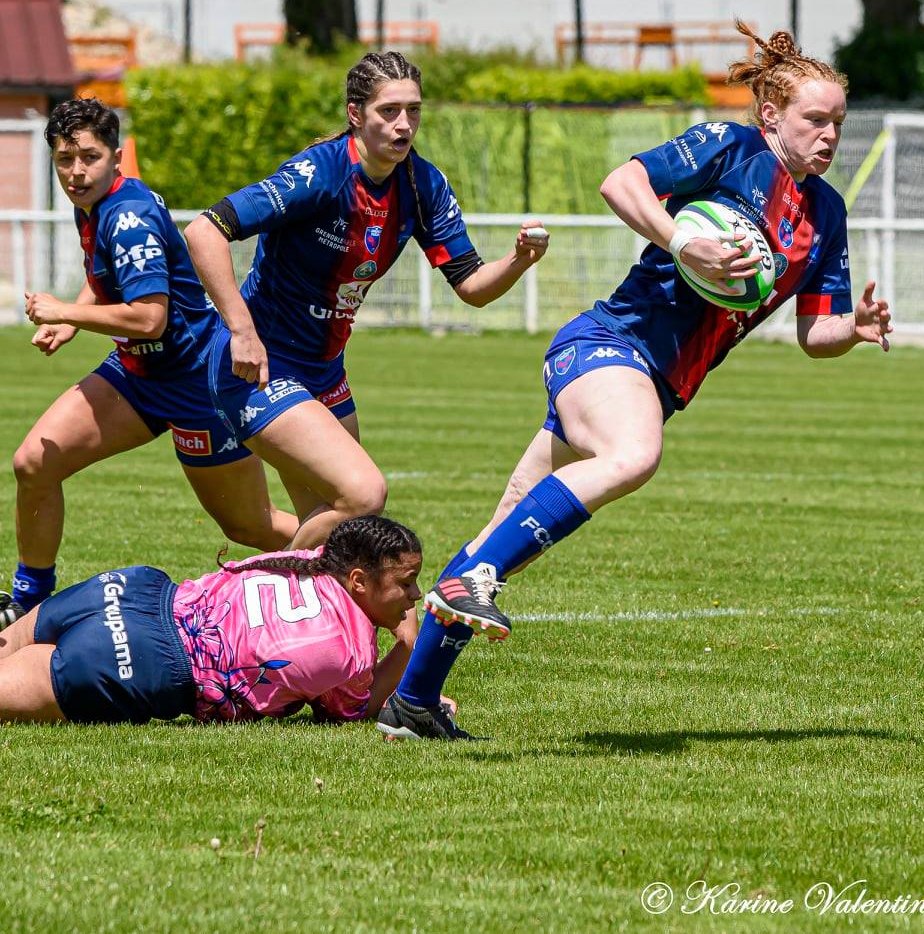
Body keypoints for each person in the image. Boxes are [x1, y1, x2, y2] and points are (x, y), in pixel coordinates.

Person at [375, 22, 893, 740]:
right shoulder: (728, 146)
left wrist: (855, 329)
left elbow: (816, 333)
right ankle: (472, 583)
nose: (829, 134)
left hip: (656, 383)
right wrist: (684, 240)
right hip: (605, 345)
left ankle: (411, 703)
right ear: (772, 116)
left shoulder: (826, 214)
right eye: (815, 119)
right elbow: (621, 181)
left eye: (837, 121)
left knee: (504, 530)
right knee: (632, 456)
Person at [184, 51, 549, 549]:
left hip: (325, 370)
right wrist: (242, 332)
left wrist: (520, 259)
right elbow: (204, 230)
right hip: (261, 366)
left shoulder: (423, 184)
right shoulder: (318, 174)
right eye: (389, 111)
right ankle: (254, 597)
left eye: (414, 110)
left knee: (341, 535)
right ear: (355, 113)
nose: (404, 125)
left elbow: (472, 287)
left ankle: (321, 622)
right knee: (362, 495)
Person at [7, 99, 297, 632]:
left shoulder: (129, 217)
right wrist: (77, 318)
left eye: (89, 157)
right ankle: (27, 597)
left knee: (250, 527)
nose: (75, 171)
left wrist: (64, 311)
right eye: (64, 159)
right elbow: (109, 276)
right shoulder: (96, 200)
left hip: (196, 386)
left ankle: (362, 560)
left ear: (116, 157)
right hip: (136, 378)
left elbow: (149, 319)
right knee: (34, 463)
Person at [0, 515, 426, 726]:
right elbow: (349, 712)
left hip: (134, 589)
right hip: (148, 661)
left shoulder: (309, 560)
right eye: (406, 583)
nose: (415, 595)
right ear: (357, 580)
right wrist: (407, 647)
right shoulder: (348, 652)